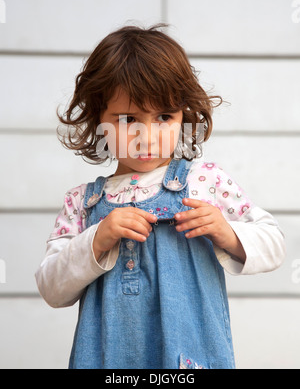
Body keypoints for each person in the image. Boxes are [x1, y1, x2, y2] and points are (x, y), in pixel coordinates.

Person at [35, 24, 285, 369]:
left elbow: (273, 243)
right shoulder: (83, 202)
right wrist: (97, 238)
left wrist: (228, 233)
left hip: (188, 358)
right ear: (98, 120)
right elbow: (51, 287)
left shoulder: (203, 181)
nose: (146, 136)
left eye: (164, 116)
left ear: (184, 117)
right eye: (128, 119)